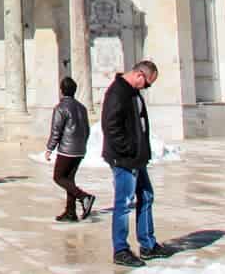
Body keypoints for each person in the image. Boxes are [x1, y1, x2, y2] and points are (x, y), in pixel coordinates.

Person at [102, 60, 174, 267]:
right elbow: (111, 127)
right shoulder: (117, 93)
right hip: (125, 159)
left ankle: (148, 244)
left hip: (136, 158)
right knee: (123, 204)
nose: (147, 88)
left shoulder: (132, 92)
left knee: (146, 196)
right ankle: (120, 249)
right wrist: (128, 152)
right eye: (148, 84)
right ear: (140, 75)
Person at [45, 76, 94, 221]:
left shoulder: (60, 108)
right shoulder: (82, 108)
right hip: (79, 149)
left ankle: (84, 197)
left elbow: (56, 130)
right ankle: (70, 212)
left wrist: (49, 149)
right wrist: (82, 144)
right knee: (69, 180)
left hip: (67, 150)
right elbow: (87, 129)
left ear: (61, 91)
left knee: (58, 177)